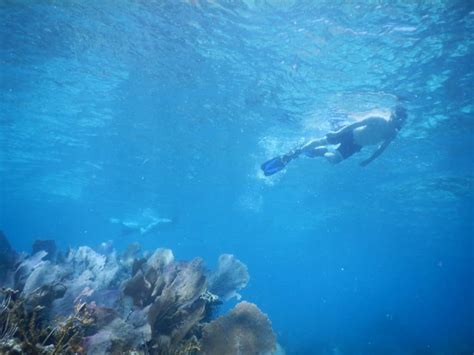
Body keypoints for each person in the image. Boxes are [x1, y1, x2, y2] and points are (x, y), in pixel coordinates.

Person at [260, 105, 407, 176]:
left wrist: (369, 160)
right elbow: (354, 124)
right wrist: (337, 132)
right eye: (397, 117)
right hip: (349, 133)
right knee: (323, 141)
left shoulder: (391, 134)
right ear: (392, 115)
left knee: (333, 160)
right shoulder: (378, 119)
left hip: (356, 146)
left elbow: (381, 149)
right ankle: (295, 152)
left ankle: (320, 153)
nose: (397, 121)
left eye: (400, 120)